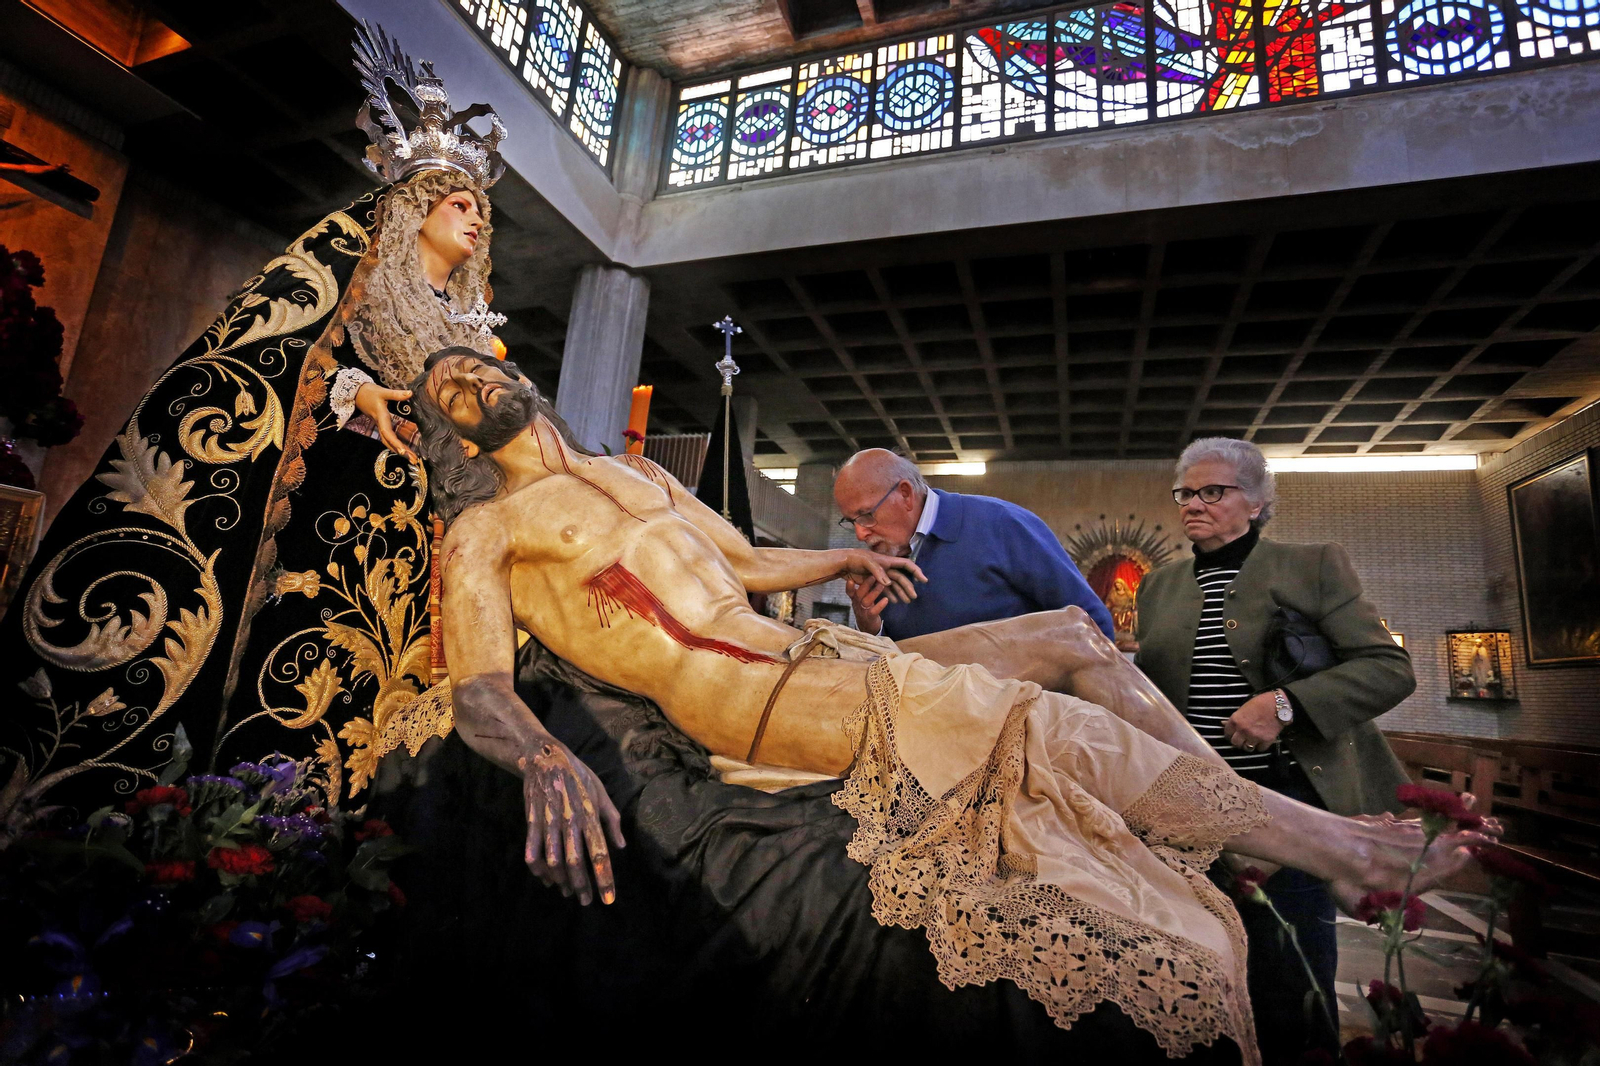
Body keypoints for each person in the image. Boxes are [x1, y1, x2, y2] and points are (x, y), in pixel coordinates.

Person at [408, 349, 1486, 1065]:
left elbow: (744, 559)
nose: (468, 386)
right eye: (446, 391)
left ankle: (1229, 833)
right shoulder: (490, 529)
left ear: (517, 379)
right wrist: (542, 758)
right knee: (1046, 723)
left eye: (474, 368)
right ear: (450, 431)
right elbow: (480, 686)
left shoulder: (642, 477)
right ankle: (1338, 851)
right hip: (746, 698)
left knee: (1069, 639)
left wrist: (842, 559)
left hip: (809, 651)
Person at [0, 24, 506, 815]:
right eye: (459, 202)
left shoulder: (472, 328)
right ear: (415, 209)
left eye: (481, 210)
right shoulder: (353, 264)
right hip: (332, 516)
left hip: (418, 536)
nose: (476, 219)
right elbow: (272, 349)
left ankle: (347, 833)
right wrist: (355, 392)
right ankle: (251, 823)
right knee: (302, 671)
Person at [1135, 436, 1416, 1064]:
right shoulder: (1159, 586)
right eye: (1185, 493)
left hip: (1285, 805)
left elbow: (1389, 669)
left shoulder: (1310, 565)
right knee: (1196, 969)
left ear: (1257, 502)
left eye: (1213, 492)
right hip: (1187, 810)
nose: (1193, 504)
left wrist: (1286, 704)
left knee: (1289, 974)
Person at [832, 449, 1114, 640]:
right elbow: (896, 660)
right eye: (850, 520)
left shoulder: (1001, 524)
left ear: (905, 494)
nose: (860, 534)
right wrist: (871, 628)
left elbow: (1092, 627)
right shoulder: (882, 561)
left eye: (866, 515)